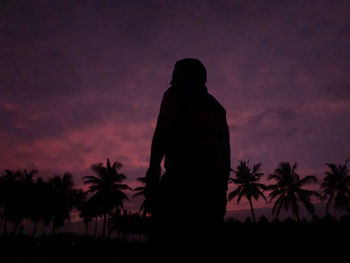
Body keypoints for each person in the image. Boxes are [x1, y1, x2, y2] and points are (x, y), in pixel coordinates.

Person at [145, 58, 230, 249]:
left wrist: (152, 175)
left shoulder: (173, 95)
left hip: (180, 184)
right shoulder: (217, 108)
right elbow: (226, 158)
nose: (172, 81)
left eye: (175, 76)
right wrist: (221, 192)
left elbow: (160, 136)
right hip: (210, 191)